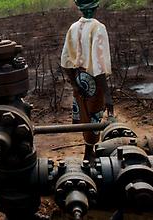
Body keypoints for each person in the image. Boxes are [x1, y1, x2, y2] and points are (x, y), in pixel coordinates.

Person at [60, 0, 114, 161]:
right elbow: (99, 65)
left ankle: (88, 151)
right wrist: (107, 95)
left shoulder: (73, 27)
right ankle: (89, 154)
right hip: (93, 81)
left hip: (79, 78)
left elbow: (65, 60)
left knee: (85, 115)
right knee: (94, 117)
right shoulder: (98, 28)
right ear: (96, 7)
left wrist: (75, 85)